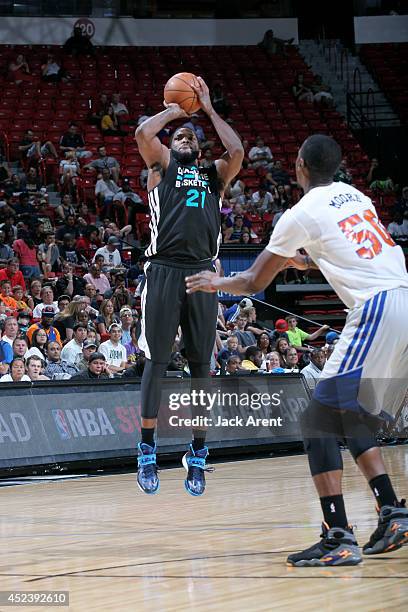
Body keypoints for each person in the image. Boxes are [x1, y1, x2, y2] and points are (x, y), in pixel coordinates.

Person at [186, 133, 408, 567]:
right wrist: (300, 262)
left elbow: (252, 281)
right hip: (402, 295)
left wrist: (216, 283)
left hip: (378, 306)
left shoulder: (299, 213)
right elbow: (345, 251)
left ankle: (337, 535)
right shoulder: (355, 195)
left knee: (317, 418)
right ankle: (392, 512)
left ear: (300, 166)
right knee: (345, 415)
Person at [134, 76, 243, 495]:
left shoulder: (214, 174)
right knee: (157, 361)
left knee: (201, 366)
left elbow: (236, 151)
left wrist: (209, 110)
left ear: (198, 147)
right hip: (163, 270)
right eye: (177, 135)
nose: (181, 138)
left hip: (203, 273)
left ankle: (197, 454)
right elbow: (145, 132)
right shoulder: (161, 166)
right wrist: (178, 109)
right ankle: (146, 449)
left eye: (188, 136)